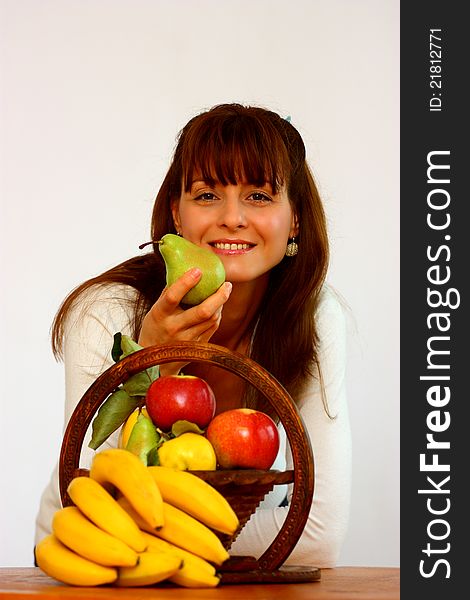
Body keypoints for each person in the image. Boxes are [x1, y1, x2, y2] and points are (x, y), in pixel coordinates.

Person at [35, 103, 351, 568]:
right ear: (176, 216)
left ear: (295, 220)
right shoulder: (109, 312)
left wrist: (163, 536)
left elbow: (320, 533)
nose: (232, 218)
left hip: (232, 579)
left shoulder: (311, 317)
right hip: (97, 575)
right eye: (206, 195)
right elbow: (90, 502)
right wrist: (152, 362)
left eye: (258, 196)